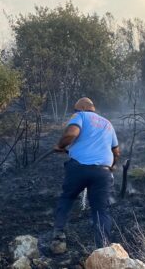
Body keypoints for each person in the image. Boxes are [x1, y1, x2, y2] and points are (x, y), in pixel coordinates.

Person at [51, 97, 120, 251]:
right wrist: (112, 166)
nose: (74, 113)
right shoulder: (108, 123)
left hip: (79, 168)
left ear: (81, 108)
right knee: (100, 210)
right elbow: (116, 152)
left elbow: (71, 134)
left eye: (75, 110)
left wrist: (59, 145)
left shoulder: (80, 116)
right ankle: (103, 251)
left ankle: (58, 238)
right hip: (103, 172)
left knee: (67, 198)